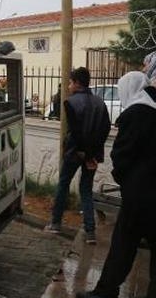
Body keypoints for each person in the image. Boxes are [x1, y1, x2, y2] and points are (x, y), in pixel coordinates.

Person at [76, 72, 156, 298]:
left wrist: (126, 182)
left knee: (123, 245)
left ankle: (105, 291)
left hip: (140, 195)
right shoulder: (152, 108)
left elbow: (122, 156)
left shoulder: (136, 113)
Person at [45, 67, 111, 245]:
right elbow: (105, 129)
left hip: (75, 152)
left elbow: (76, 131)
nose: (68, 85)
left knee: (63, 184)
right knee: (86, 189)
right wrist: (93, 154)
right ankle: (90, 231)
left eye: (70, 82)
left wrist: (83, 152)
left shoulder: (71, 102)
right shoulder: (100, 103)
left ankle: (55, 223)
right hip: (93, 154)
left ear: (76, 83)